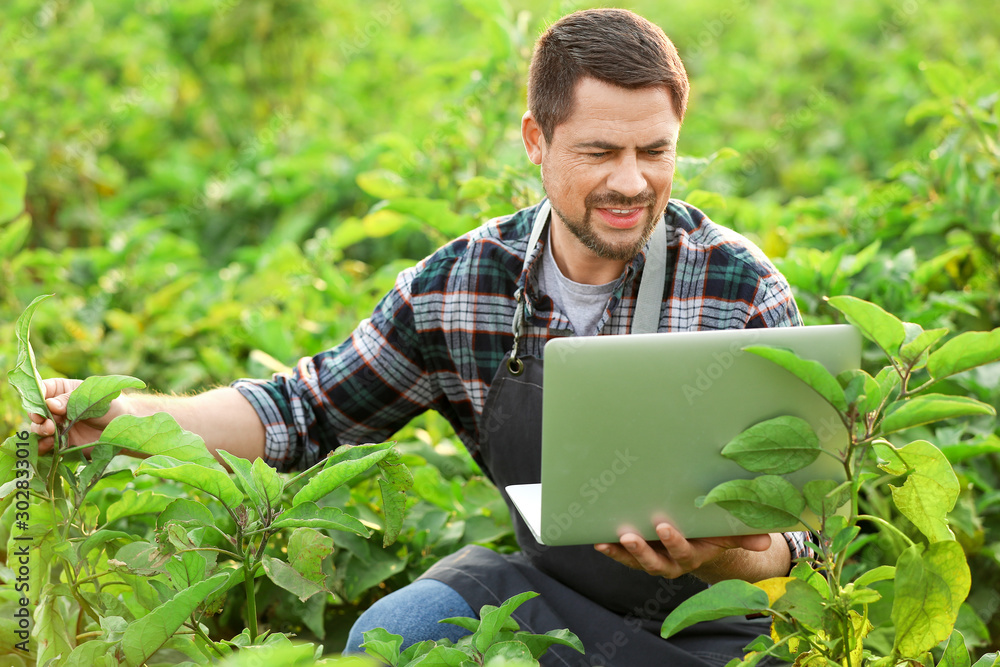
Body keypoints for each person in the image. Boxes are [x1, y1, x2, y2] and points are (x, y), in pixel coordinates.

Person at [31, 9, 807, 666]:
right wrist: (125, 417)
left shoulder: (735, 286)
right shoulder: (464, 283)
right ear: (536, 140)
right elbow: (301, 414)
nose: (632, 182)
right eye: (600, 152)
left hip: (715, 625)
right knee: (395, 636)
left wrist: (726, 550)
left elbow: (806, 536)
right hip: (550, 597)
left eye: (655, 151)